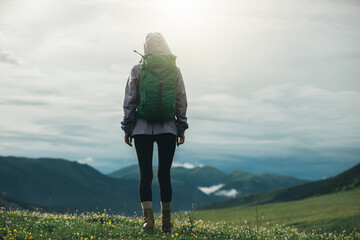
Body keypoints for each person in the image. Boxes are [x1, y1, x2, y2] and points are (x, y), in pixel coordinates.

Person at [121, 32, 188, 233]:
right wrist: (181, 127)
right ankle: (166, 222)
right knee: (164, 174)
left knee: (145, 174)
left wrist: (127, 127)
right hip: (168, 128)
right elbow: (180, 100)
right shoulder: (174, 70)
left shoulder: (137, 70)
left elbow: (130, 100)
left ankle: (148, 220)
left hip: (141, 129)